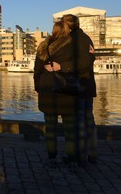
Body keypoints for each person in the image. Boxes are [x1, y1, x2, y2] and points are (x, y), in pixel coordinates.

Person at [34, 20, 83, 172]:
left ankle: (52, 158)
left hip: (47, 90)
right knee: (70, 129)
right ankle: (71, 159)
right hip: (67, 90)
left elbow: (37, 70)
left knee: (50, 128)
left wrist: (38, 88)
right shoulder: (72, 45)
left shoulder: (43, 46)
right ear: (67, 30)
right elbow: (79, 66)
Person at [62, 14, 97, 164]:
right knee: (89, 119)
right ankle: (91, 153)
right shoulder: (86, 38)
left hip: (79, 86)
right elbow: (90, 59)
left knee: (80, 121)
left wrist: (63, 66)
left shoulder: (76, 40)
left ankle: (80, 156)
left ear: (68, 26)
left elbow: (83, 63)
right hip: (88, 85)